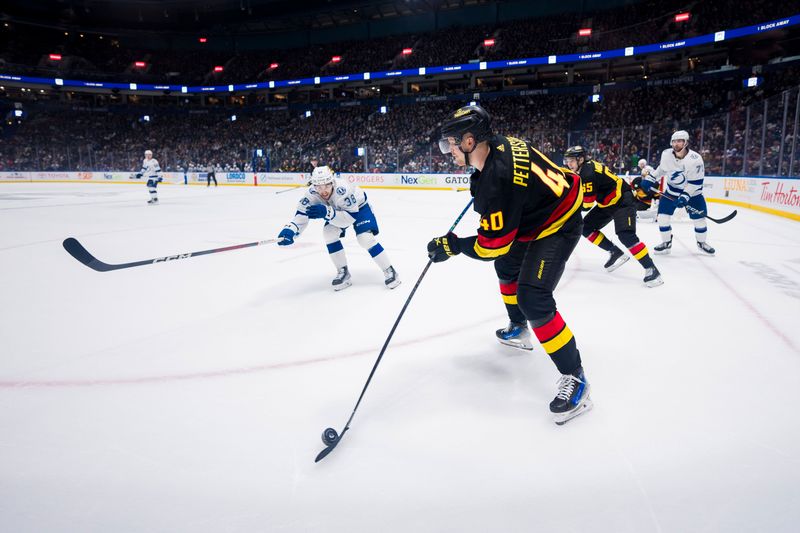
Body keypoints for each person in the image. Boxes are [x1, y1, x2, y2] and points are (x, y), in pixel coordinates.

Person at [426, 104, 591, 425]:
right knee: (506, 268)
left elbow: (491, 246)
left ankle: (576, 377)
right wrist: (484, 183)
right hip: (540, 211)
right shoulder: (500, 143)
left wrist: (453, 245)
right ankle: (519, 329)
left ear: (470, 141)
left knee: (534, 298)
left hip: (559, 221)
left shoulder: (497, 181)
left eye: (451, 143)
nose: (448, 151)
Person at [276, 165, 401, 291]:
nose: (323, 190)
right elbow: (301, 215)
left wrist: (327, 213)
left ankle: (389, 270)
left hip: (359, 209)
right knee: (329, 233)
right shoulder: (312, 193)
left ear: (332, 182)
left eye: (326, 185)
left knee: (365, 239)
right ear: (313, 185)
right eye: (318, 186)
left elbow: (350, 217)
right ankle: (343, 272)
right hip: (337, 210)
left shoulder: (343, 189)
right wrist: (291, 230)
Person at [564, 146, 663, 288]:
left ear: (580, 159)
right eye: (567, 160)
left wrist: (568, 210)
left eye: (571, 160)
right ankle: (614, 251)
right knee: (586, 228)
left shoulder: (586, 173)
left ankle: (652, 269)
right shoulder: (584, 168)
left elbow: (587, 205)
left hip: (623, 200)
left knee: (626, 235)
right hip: (608, 202)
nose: (568, 163)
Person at [641, 130, 715, 255]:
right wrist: (650, 178)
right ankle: (666, 243)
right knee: (663, 218)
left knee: (700, 220)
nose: (676, 144)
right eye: (674, 141)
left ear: (686, 143)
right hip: (671, 192)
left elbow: (695, 183)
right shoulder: (666, 154)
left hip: (693, 195)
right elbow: (661, 169)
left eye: (680, 141)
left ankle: (702, 243)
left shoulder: (695, 159)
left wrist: (685, 197)